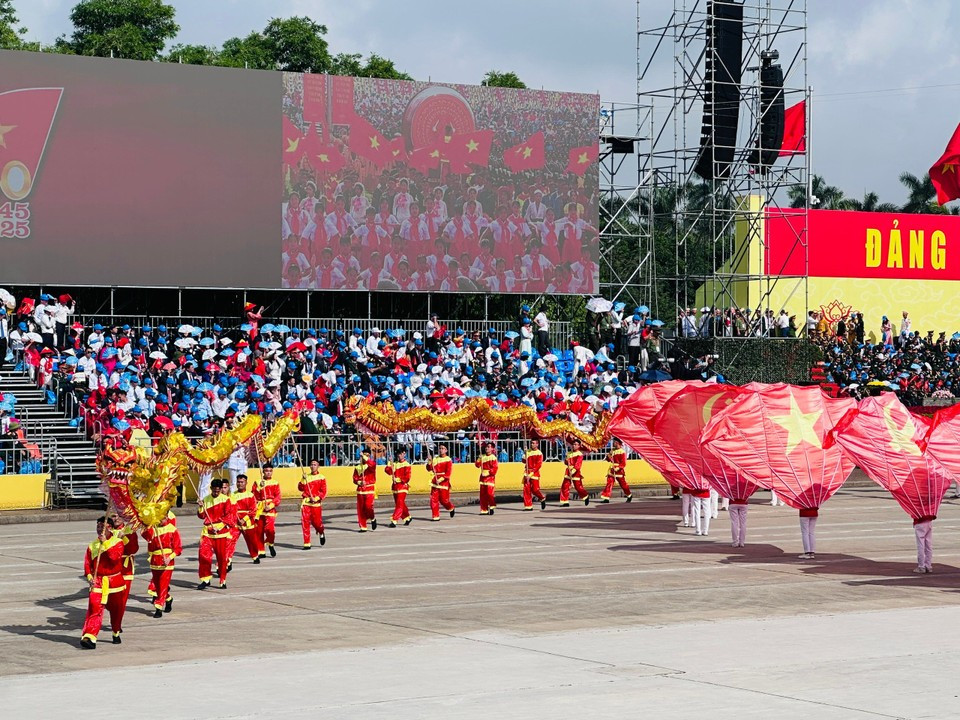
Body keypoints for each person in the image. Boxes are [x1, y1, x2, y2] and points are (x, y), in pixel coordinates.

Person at [80, 515, 127, 649]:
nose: (100, 529)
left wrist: (105, 543)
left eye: (103, 526)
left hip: (114, 582)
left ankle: (116, 631)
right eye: (98, 526)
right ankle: (90, 637)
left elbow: (115, 558)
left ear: (110, 528)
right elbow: (88, 564)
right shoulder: (92, 545)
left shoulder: (117, 542)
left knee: (116, 610)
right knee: (94, 609)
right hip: (98, 582)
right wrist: (90, 578)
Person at [141, 511, 182, 618]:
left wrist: (169, 558)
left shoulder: (172, 529)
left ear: (166, 517)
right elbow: (146, 536)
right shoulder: (153, 529)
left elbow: (178, 549)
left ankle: (158, 607)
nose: (160, 520)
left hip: (167, 561)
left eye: (162, 518)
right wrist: (145, 523)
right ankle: (168, 599)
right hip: (155, 561)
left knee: (163, 584)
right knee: (158, 586)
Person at [197, 478, 236, 589]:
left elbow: (229, 516)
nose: (216, 493)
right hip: (207, 533)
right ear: (211, 489)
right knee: (203, 556)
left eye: (218, 491)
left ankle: (222, 579)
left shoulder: (225, 500)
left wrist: (218, 527)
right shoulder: (206, 499)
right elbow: (202, 516)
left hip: (221, 533)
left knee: (221, 558)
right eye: (214, 490)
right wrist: (200, 506)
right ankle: (205, 579)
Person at [232, 474, 264, 563]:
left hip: (248, 522)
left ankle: (255, 556)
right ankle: (228, 559)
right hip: (236, 522)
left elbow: (253, 510)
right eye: (238, 482)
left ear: (246, 483)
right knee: (231, 541)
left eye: (242, 482)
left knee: (251, 541)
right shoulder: (232, 495)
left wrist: (244, 519)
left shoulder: (250, 495)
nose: (240, 484)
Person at [299, 458, 327, 548]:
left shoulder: (321, 477)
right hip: (306, 503)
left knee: (317, 523)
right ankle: (307, 543)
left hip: (316, 504)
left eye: (315, 464)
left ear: (318, 466)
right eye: (311, 464)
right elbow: (300, 488)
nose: (313, 466)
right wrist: (302, 480)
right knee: (305, 522)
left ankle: (321, 531)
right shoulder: (306, 476)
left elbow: (324, 491)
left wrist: (316, 498)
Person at [255, 463, 282, 556]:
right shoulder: (257, 482)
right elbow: (253, 496)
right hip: (260, 508)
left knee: (270, 529)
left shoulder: (275, 482)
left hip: (270, 508)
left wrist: (270, 505)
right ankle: (261, 551)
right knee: (259, 530)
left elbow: (278, 497)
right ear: (263, 471)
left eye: (270, 471)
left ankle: (270, 542)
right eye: (266, 471)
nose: (268, 473)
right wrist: (259, 487)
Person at [427, 445, 456, 521]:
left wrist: (440, 480)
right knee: (433, 499)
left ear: (446, 450)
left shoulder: (448, 460)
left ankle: (450, 507)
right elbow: (429, 469)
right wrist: (429, 461)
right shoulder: (435, 459)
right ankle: (435, 516)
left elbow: (448, 472)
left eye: (443, 448)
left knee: (444, 500)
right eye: (440, 448)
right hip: (435, 481)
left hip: (443, 482)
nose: (441, 450)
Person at [385, 449, 412, 527]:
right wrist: (389, 462)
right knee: (400, 504)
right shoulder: (395, 464)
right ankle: (407, 517)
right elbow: (388, 471)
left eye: (400, 454)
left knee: (399, 504)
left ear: (404, 454)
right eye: (398, 454)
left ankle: (394, 520)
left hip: (403, 486)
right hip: (395, 487)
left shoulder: (407, 464)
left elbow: (407, 477)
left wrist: (398, 479)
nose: (399, 456)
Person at [353, 448, 378, 531]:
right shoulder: (358, 467)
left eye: (367, 456)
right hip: (360, 490)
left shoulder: (371, 465)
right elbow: (355, 478)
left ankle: (372, 517)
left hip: (369, 488)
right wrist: (359, 482)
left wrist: (365, 457)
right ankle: (363, 526)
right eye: (364, 455)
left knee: (368, 506)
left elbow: (372, 464)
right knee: (360, 509)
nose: (365, 457)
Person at [600, 438, 631, 503]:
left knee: (623, 484)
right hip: (612, 469)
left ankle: (629, 495)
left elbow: (623, 463)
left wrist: (618, 468)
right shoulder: (613, 450)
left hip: (619, 470)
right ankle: (606, 498)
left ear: (617, 443)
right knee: (609, 483)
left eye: (614, 442)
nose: (613, 443)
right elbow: (609, 460)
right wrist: (608, 456)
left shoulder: (622, 452)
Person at [560, 440, 590, 506]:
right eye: (573, 444)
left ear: (579, 446)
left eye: (576, 444)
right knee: (565, 486)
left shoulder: (579, 454)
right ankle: (565, 501)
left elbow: (578, 465)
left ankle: (585, 496)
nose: (574, 446)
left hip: (575, 472)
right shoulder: (569, 453)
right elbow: (566, 463)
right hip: (568, 471)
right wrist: (566, 460)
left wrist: (573, 471)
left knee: (578, 487)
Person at [475, 442, 498, 516]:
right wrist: (479, 458)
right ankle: (484, 510)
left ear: (492, 448)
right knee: (482, 495)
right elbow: (477, 465)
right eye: (486, 447)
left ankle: (492, 506)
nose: (486, 448)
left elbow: (495, 468)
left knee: (489, 494)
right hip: (482, 478)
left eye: (488, 447)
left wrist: (488, 473)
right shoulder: (483, 456)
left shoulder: (493, 457)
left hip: (490, 478)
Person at [522, 440, 546, 510]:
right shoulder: (528, 451)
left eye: (533, 443)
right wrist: (525, 453)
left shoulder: (539, 453)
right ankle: (528, 506)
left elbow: (539, 465)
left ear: (537, 444)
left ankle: (542, 498)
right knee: (526, 490)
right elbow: (523, 461)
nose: (532, 444)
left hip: (535, 473)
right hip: (527, 472)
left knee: (535, 490)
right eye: (531, 443)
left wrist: (531, 474)